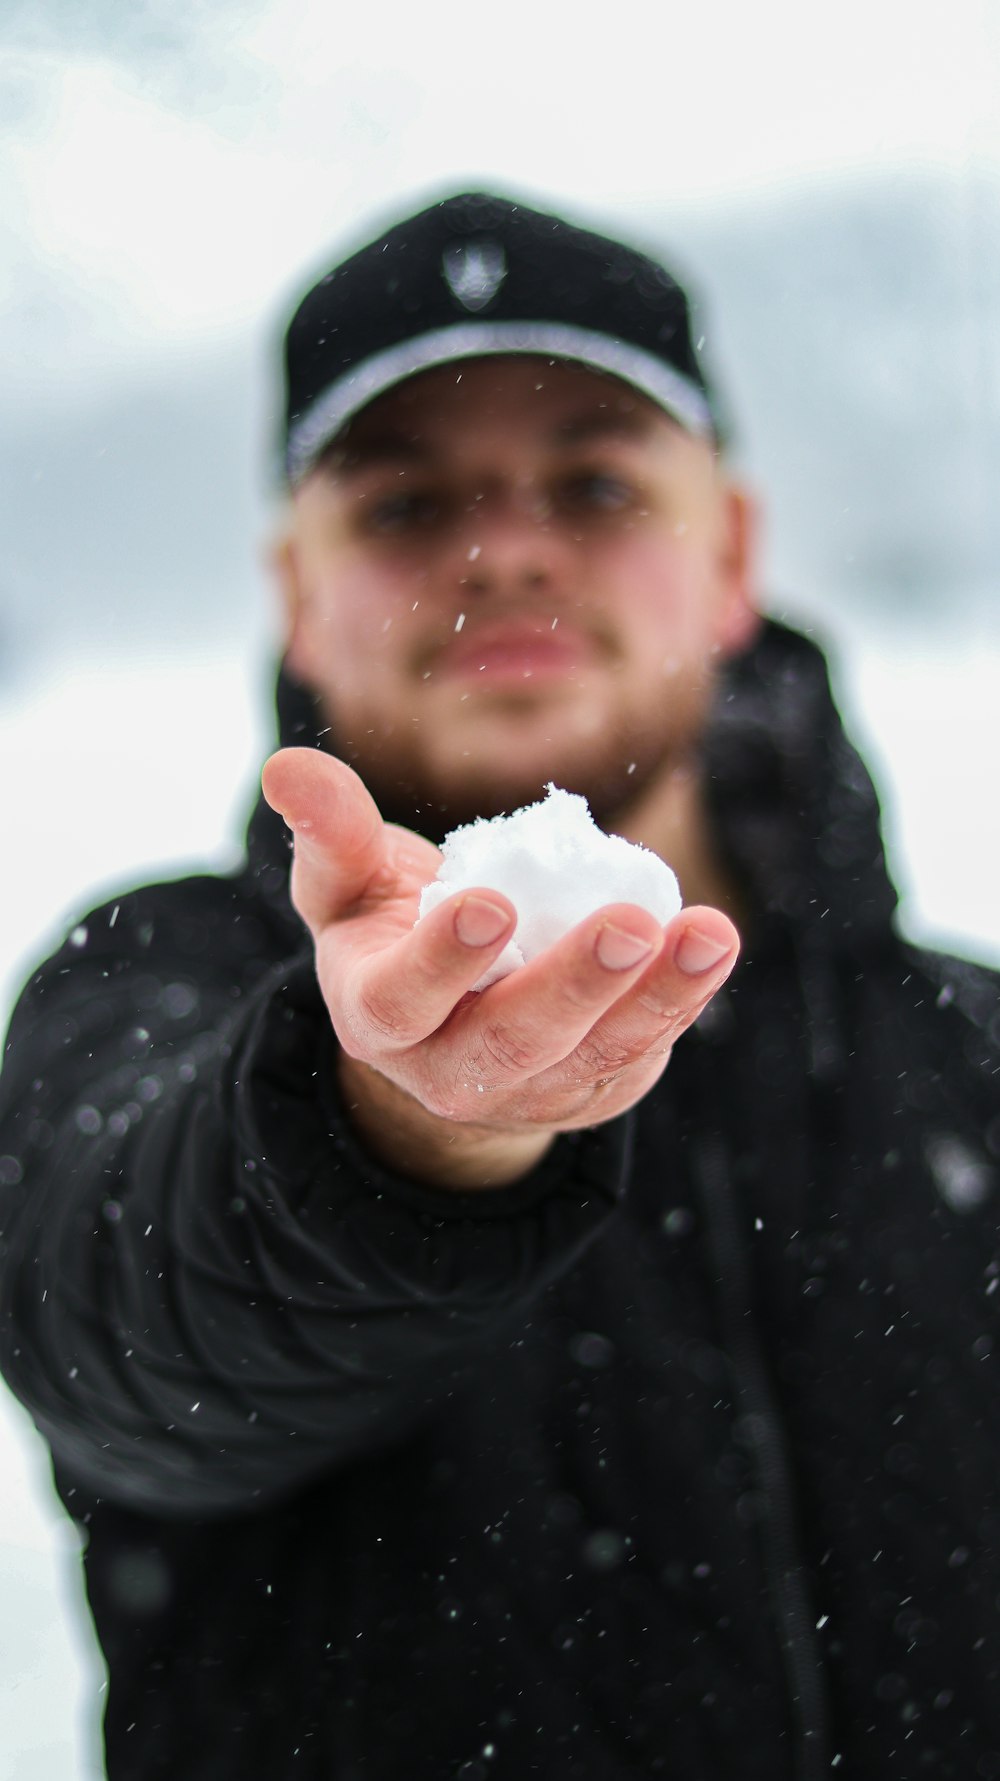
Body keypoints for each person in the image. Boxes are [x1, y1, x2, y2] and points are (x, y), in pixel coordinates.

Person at [1, 188, 998, 1781]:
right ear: (298, 595)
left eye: (595, 482)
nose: (508, 545)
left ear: (729, 550)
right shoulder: (150, 990)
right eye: (404, 504)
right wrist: (377, 1134)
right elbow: (124, 1345)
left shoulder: (971, 1061)